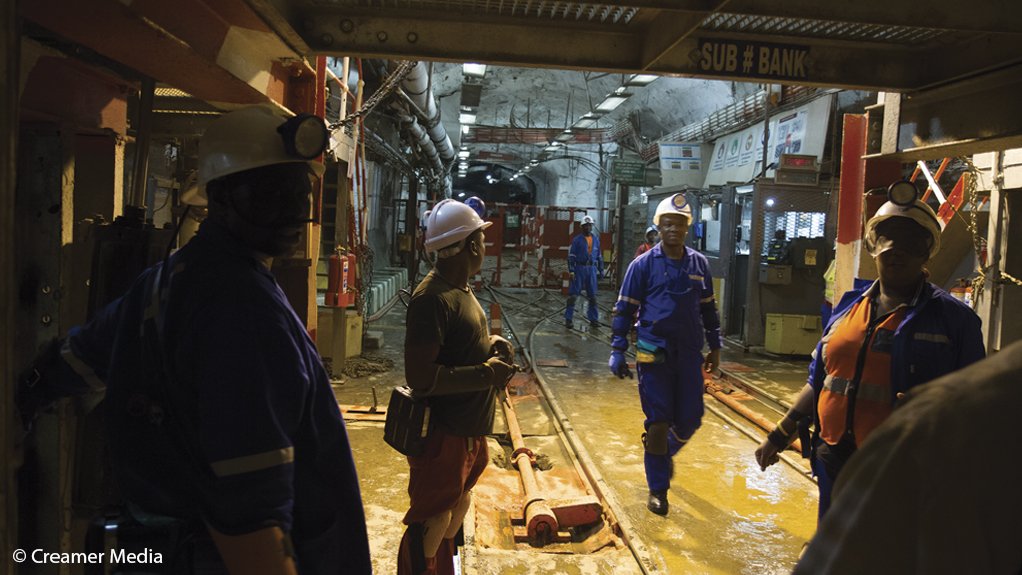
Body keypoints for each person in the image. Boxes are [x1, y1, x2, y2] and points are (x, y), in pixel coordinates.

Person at [16, 106, 372, 573]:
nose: (290, 212)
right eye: (268, 195)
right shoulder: (243, 310)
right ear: (219, 199)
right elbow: (250, 520)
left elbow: (73, 361)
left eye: (298, 192)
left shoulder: (164, 282)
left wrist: (23, 397)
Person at [755, 182, 985, 522]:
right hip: (833, 455)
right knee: (834, 542)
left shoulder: (954, 321)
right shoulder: (849, 308)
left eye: (907, 246)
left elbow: (975, 404)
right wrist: (778, 435)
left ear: (926, 252)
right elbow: (820, 380)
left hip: (901, 467)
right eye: (887, 245)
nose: (895, 254)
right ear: (875, 249)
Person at [794, 340, 1022, 575]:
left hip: (881, 452)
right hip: (836, 446)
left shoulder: (941, 419)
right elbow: (818, 377)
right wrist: (784, 430)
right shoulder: (946, 416)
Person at [398, 198, 516, 575]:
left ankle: (442, 569)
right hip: (443, 435)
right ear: (471, 245)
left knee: (455, 511)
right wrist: (488, 373)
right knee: (431, 520)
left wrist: (490, 347)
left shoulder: (459, 289)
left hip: (467, 433)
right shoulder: (432, 299)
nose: (484, 244)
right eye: (481, 237)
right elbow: (421, 377)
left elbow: (455, 350)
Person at [608, 193, 722, 515]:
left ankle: (663, 452)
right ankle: (658, 489)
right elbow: (625, 308)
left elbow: (709, 310)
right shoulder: (642, 266)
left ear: (688, 227)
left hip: (688, 352)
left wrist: (715, 347)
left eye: (680, 224)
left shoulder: (699, 264)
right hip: (650, 349)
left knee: (691, 418)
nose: (674, 229)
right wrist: (617, 349)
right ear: (659, 227)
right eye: (668, 224)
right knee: (658, 421)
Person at [565, 215, 604, 328]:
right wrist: (571, 270)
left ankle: (594, 319)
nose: (587, 227)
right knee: (573, 296)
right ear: (581, 227)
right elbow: (571, 256)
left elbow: (599, 256)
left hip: (591, 270)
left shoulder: (596, 240)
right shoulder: (577, 240)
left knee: (593, 297)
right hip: (579, 269)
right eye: (585, 226)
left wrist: (601, 270)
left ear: (592, 226)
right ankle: (568, 319)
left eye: (589, 225)